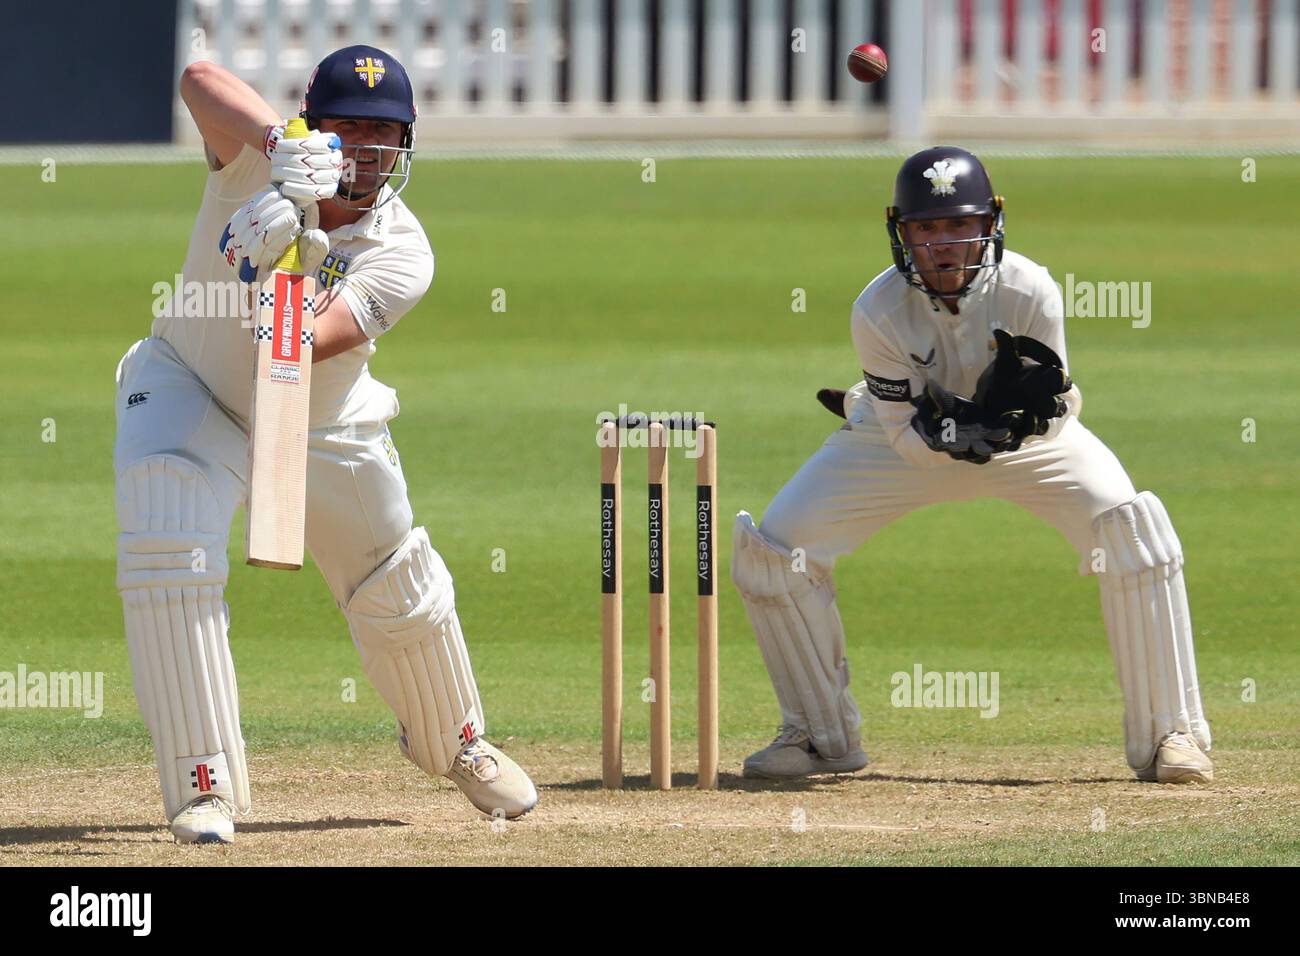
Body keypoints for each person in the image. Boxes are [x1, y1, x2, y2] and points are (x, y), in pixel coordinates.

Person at [114, 45, 536, 845]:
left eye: (385, 135)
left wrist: (284, 261)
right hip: (190, 389)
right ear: (314, 125)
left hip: (322, 419)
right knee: (166, 541)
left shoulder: (404, 251)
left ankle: (458, 742)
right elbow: (197, 80)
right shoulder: (252, 156)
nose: (367, 150)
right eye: (347, 128)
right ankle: (205, 784)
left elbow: (298, 348)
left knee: (396, 586)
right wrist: (276, 150)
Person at [731, 146, 1212, 785]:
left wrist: (1017, 420)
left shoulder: (1030, 288)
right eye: (926, 229)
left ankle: (1169, 735)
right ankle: (820, 738)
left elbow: (1058, 407)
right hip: (896, 443)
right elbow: (905, 437)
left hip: (1031, 450)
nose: (944, 244)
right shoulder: (876, 311)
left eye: (960, 225)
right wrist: (954, 431)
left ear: (990, 224)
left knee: (1132, 532)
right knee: (777, 548)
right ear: (901, 233)